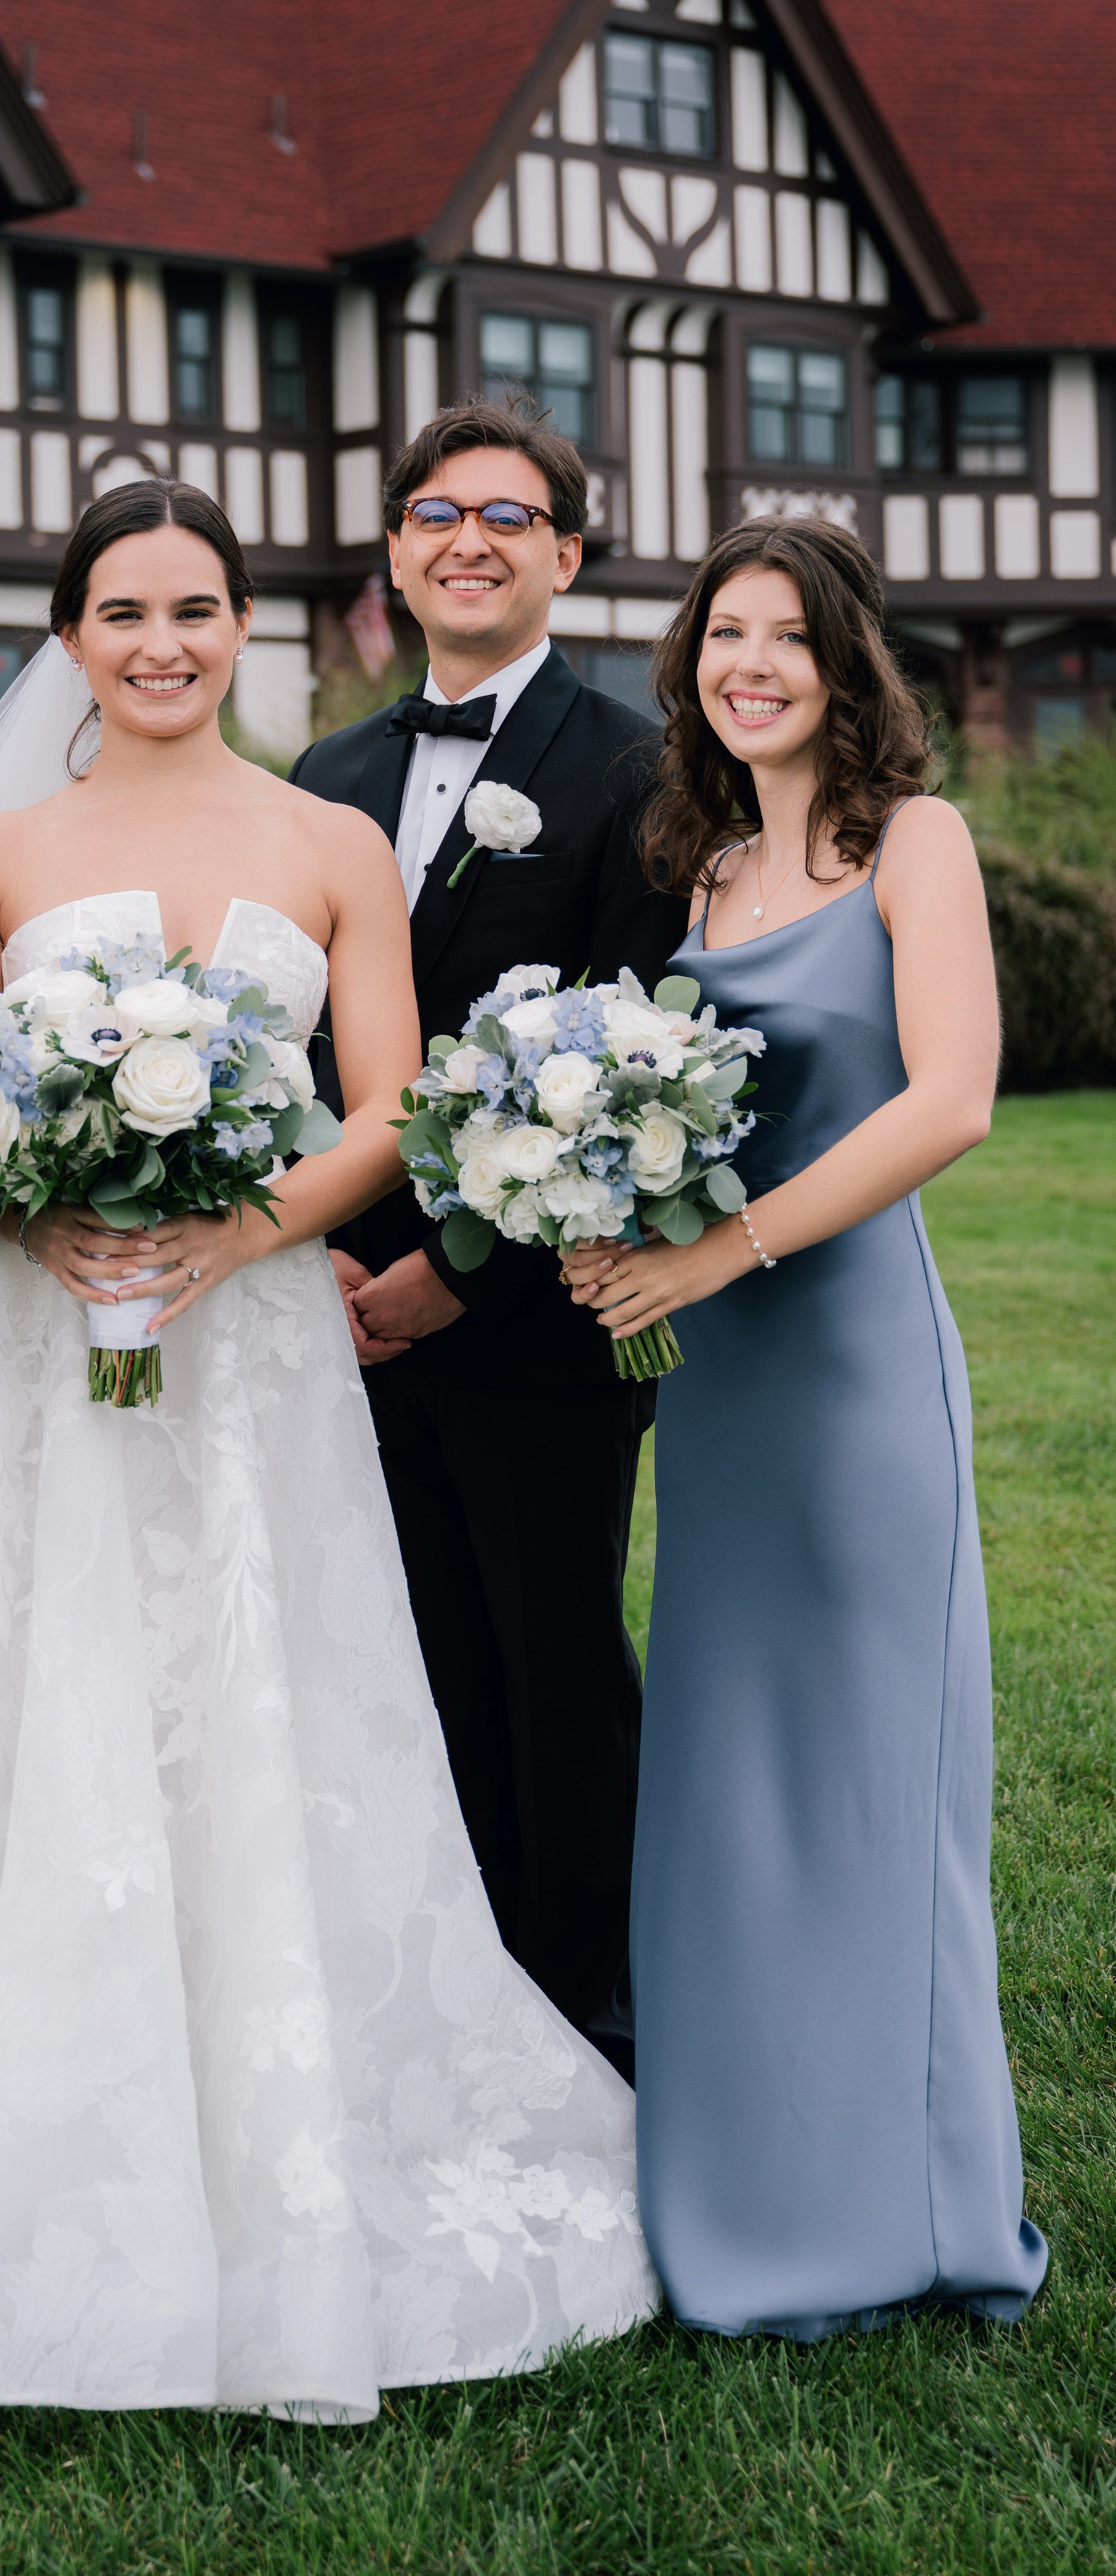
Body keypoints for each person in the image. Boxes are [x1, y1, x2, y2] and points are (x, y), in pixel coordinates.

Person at [0, 481, 659, 2416]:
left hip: (249, 1350)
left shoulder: (332, 839)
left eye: (197, 606)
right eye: (123, 610)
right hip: (33, 1349)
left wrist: (234, 1235)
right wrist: (39, 1210)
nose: (162, 641)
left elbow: (395, 1108)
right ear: (69, 637)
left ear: (244, 625)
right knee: (31, 1692)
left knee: (265, 1709)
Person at [564, 516, 1047, 2337]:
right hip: (719, 1392)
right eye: (719, 637)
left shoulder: (906, 843)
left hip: (842, 1371)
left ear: (846, 668)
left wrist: (728, 1248)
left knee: (869, 1779)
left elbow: (955, 1100)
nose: (744, 664)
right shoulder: (695, 869)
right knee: (732, 1780)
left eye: (784, 637)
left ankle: (912, 2208)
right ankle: (752, 2180)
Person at [290, 401, 686, 2080]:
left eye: (507, 517)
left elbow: (629, 1052)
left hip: (529, 1315)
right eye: (436, 513)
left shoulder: (639, 770)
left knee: (548, 1664)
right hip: (327, 1309)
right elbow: (285, 1035)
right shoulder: (324, 779)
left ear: (564, 556)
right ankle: (434, 1996)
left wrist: (450, 1271)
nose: (468, 540)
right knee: (393, 1653)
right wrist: (312, 1248)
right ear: (394, 549)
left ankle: (590, 2006)